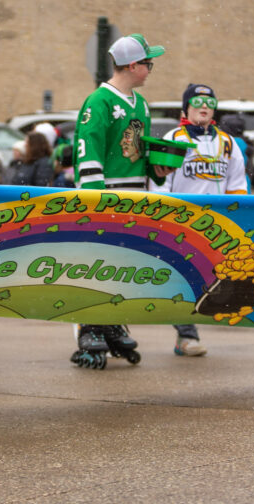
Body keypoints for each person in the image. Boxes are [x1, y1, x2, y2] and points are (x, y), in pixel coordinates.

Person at [71, 33, 170, 368]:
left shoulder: (141, 104)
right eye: (148, 63)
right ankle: (89, 325)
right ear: (133, 65)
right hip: (107, 195)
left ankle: (112, 319)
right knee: (97, 261)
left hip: (134, 195)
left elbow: (140, 150)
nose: (151, 69)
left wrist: (157, 169)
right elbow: (88, 147)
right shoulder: (99, 101)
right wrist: (95, 197)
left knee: (123, 263)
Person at [155, 84, 249, 357]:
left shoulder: (228, 143)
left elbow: (237, 185)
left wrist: (236, 217)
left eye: (210, 102)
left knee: (208, 280)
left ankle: (190, 329)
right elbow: (160, 184)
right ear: (185, 108)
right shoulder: (173, 139)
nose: (204, 106)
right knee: (181, 279)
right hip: (180, 223)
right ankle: (186, 335)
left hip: (216, 225)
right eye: (196, 102)